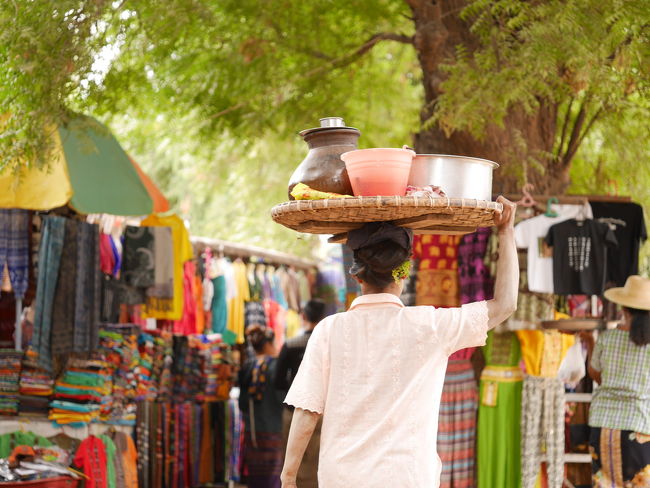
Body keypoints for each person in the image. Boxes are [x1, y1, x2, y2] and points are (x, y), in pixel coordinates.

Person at [280, 196, 518, 488]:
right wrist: (506, 232)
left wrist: (288, 475)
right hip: (408, 478)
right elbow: (505, 305)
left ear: (356, 274)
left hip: (342, 478)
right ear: (404, 273)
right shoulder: (431, 326)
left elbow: (307, 409)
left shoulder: (329, 330)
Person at [583, 275, 650, 487]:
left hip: (602, 423)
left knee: (604, 483)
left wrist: (590, 342)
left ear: (624, 308)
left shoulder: (607, 338)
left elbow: (596, 375)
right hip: (637, 425)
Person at [275, 299, 327, 488]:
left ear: (303, 316)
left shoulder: (291, 344)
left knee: (293, 464)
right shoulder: (329, 343)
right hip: (324, 411)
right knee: (317, 462)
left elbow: (279, 381)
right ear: (323, 318)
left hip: (293, 410)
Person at [239, 324, 285, 488]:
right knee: (275, 473)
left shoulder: (248, 366)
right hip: (275, 428)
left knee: (256, 473)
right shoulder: (277, 366)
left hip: (253, 430)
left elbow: (243, 403)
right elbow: (283, 398)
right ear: (268, 344)